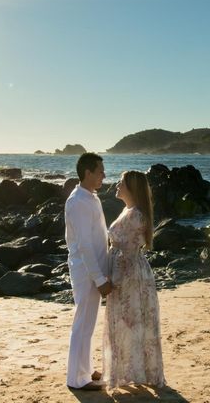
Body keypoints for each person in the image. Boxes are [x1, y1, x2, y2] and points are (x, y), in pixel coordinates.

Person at [103, 170, 165, 388]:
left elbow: (126, 249)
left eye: (121, 182)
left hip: (130, 274)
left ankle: (134, 372)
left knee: (131, 323)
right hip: (126, 271)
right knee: (127, 322)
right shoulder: (128, 211)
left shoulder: (136, 215)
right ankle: (129, 371)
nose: (117, 185)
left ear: (132, 188)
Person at [65, 153, 113, 391]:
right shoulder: (78, 202)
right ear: (88, 173)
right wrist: (100, 278)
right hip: (85, 271)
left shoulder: (90, 197)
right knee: (82, 323)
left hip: (92, 270)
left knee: (88, 323)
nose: (104, 175)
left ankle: (85, 369)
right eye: (100, 171)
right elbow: (84, 245)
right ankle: (77, 379)